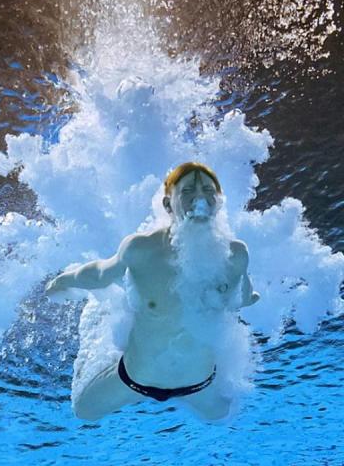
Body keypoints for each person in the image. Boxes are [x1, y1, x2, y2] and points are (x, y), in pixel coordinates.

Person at [45, 162, 260, 422]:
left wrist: (250, 298)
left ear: (218, 202)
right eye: (188, 191)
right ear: (169, 205)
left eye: (207, 190)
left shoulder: (235, 255)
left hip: (199, 384)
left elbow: (242, 291)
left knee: (221, 416)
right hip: (135, 379)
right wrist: (66, 280)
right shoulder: (141, 250)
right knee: (83, 412)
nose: (200, 198)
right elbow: (100, 274)